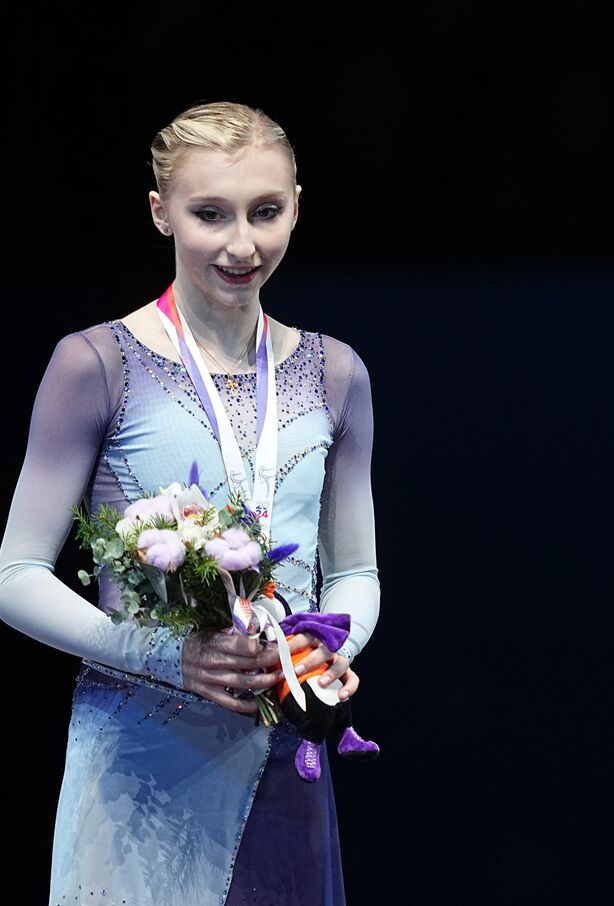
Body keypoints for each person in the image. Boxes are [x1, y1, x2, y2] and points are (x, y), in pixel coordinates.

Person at [0, 101, 381, 904]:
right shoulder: (95, 364)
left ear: (298, 207)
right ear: (160, 213)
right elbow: (17, 576)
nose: (241, 244)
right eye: (210, 214)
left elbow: (357, 571)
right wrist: (167, 657)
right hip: (137, 765)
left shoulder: (336, 373)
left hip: (284, 752)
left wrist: (330, 648)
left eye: (266, 213)